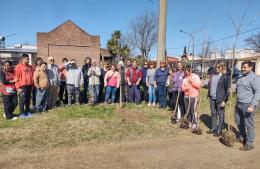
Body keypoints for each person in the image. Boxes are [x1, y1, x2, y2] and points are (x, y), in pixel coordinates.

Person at [235, 61, 260, 151]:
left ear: (251, 67)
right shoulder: (241, 77)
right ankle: (242, 136)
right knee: (238, 121)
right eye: (242, 67)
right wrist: (233, 90)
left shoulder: (254, 78)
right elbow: (240, 88)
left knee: (249, 124)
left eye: (245, 67)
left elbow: (258, 92)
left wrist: (252, 105)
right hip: (239, 103)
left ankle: (249, 143)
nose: (242, 69)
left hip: (248, 104)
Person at [207, 63, 230, 137]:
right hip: (212, 98)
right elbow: (210, 85)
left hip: (220, 99)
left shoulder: (225, 77)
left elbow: (227, 90)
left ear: (222, 68)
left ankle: (220, 130)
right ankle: (214, 128)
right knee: (213, 113)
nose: (216, 68)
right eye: (215, 67)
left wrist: (224, 100)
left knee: (220, 114)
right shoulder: (212, 75)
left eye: (218, 67)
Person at [182, 65, 201, 129]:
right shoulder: (185, 78)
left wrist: (191, 81)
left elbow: (198, 85)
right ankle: (189, 121)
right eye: (186, 70)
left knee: (193, 110)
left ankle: (194, 123)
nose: (187, 72)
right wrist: (187, 88)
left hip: (193, 96)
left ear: (191, 70)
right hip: (186, 96)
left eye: (188, 70)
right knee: (188, 110)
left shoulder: (196, 76)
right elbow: (183, 88)